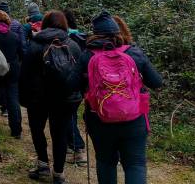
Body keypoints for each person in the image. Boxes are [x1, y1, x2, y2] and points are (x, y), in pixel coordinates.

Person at [74, 11, 163, 184]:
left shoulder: (87, 56)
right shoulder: (134, 53)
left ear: (95, 33)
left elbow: (71, 85)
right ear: (118, 32)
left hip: (99, 120)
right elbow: (156, 82)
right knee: (135, 164)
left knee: (105, 162)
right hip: (134, 120)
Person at [19, 11, 81, 184]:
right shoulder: (73, 45)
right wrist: (77, 95)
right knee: (60, 135)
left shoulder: (35, 44)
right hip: (64, 98)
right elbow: (79, 73)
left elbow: (25, 74)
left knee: (37, 131)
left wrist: (23, 97)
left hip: (37, 98)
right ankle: (59, 174)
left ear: (44, 24)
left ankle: (43, 165)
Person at [0, 10, 23, 138]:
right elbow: (21, 53)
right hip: (12, 69)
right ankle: (16, 129)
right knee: (13, 98)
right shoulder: (14, 36)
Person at [63, 9, 87, 164]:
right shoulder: (82, 36)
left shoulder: (66, 38)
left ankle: (78, 147)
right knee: (71, 115)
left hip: (70, 81)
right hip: (82, 84)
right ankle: (71, 144)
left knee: (67, 117)